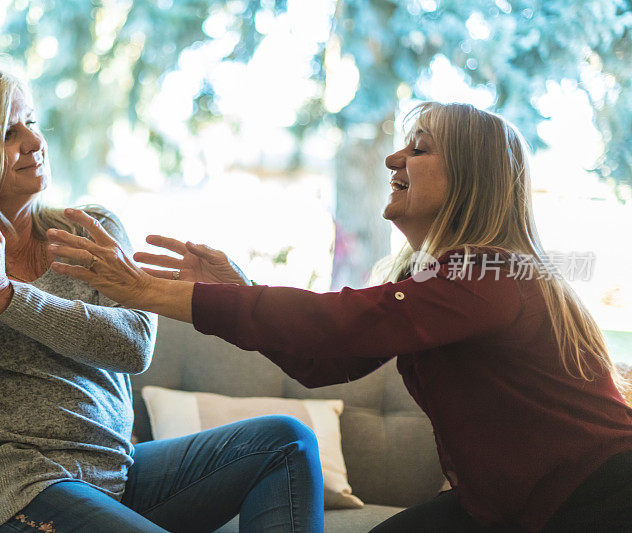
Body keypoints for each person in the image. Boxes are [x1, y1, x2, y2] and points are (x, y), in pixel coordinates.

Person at [46, 102, 632, 532]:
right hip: (511, 505)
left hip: (599, 496)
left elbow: (341, 325)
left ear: (471, 178)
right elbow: (327, 359)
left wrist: (143, 290)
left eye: (419, 148)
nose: (392, 158)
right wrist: (241, 290)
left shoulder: (490, 275)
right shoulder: (440, 281)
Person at [0, 67, 324, 533]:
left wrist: (8, 296)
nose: (34, 141)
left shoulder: (88, 231)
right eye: (8, 132)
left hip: (112, 479)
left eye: (33, 122)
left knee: (287, 443)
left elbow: (134, 347)